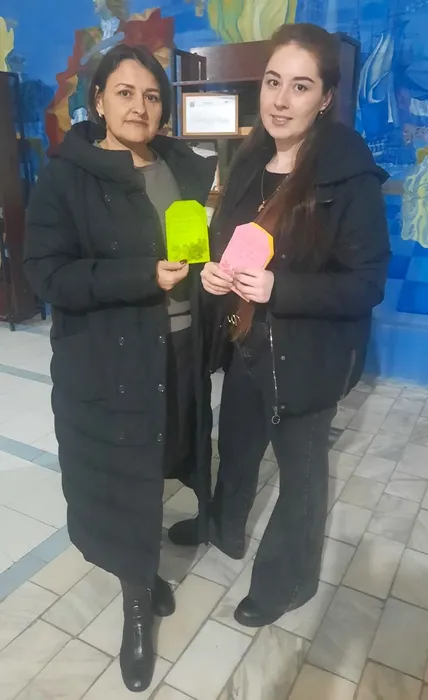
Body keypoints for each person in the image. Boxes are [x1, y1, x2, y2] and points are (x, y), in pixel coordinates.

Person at [169, 23, 391, 627]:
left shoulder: (347, 173)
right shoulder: (249, 160)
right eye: (273, 83)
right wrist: (213, 276)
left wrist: (281, 289)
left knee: (301, 475)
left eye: (300, 86)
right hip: (245, 339)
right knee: (238, 445)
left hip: (308, 355)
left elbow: (366, 282)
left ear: (325, 97)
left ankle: (286, 582)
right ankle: (222, 525)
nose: (281, 101)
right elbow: (227, 242)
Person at [24, 44, 216, 692]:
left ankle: (158, 562)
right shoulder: (67, 178)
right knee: (125, 480)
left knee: (163, 460)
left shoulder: (181, 167)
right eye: (125, 93)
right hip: (111, 362)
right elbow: (47, 273)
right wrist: (141, 277)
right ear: (98, 101)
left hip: (180, 351)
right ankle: (137, 603)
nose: (140, 107)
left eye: (153, 96)